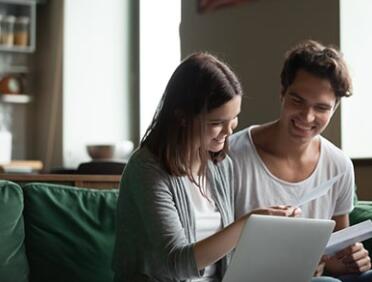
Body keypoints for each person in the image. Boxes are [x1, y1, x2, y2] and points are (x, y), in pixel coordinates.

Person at [112, 52, 335, 282]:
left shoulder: (220, 165)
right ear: (182, 117)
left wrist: (273, 235)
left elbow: (226, 256)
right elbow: (175, 264)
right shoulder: (146, 169)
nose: (229, 131)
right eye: (216, 123)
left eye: (234, 118)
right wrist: (248, 224)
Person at [229, 40, 372, 281]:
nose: (307, 116)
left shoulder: (339, 165)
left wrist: (348, 259)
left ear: (334, 108)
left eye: (321, 108)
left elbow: (337, 245)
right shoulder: (231, 154)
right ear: (282, 93)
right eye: (298, 101)